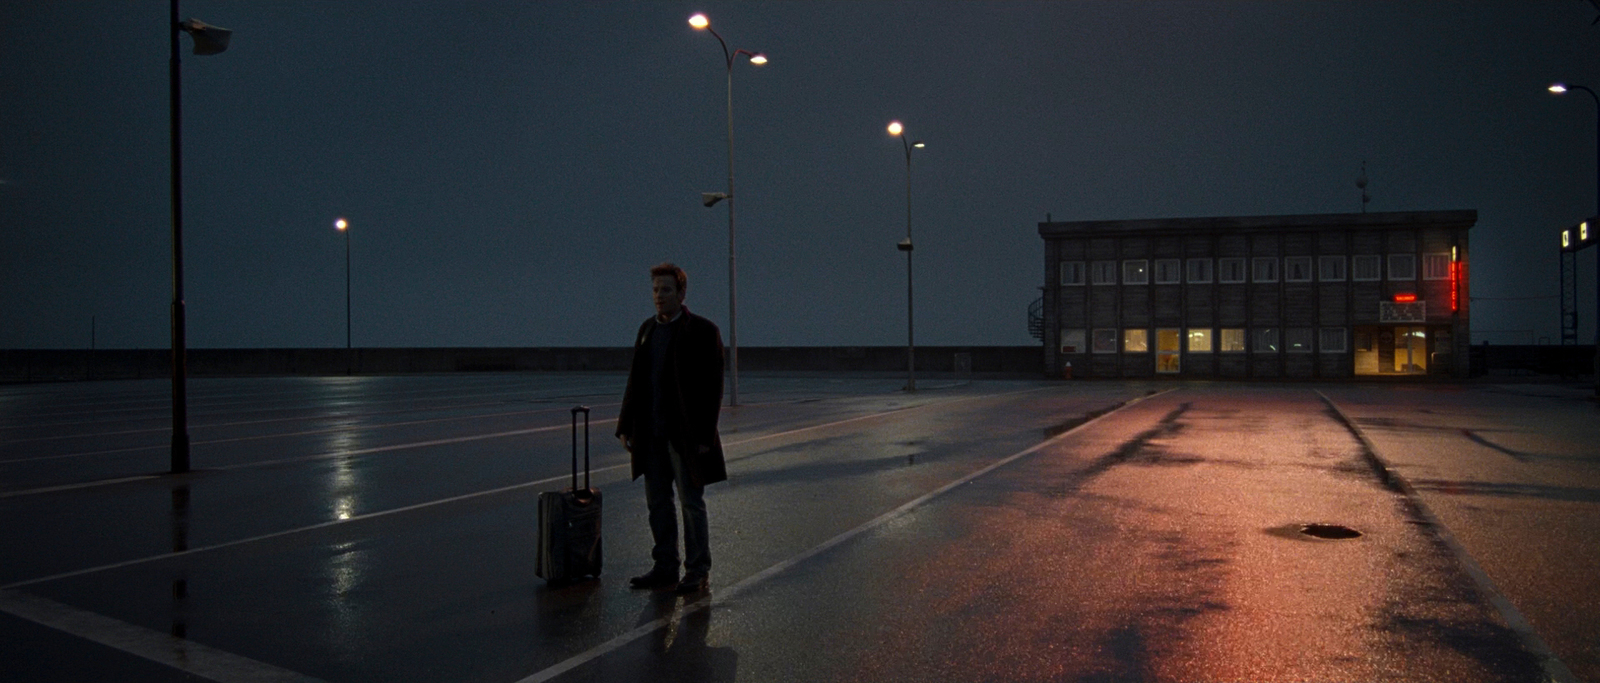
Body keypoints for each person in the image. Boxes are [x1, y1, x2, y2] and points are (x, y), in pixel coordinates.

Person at [616, 262, 726, 594]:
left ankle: (697, 571)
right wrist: (626, 426)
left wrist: (705, 436)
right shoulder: (647, 330)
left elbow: (713, 387)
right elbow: (636, 381)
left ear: (681, 293)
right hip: (651, 434)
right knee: (657, 502)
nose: (659, 296)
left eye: (666, 290)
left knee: (691, 503)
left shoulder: (703, 331)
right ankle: (665, 566)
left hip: (686, 436)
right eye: (655, 290)